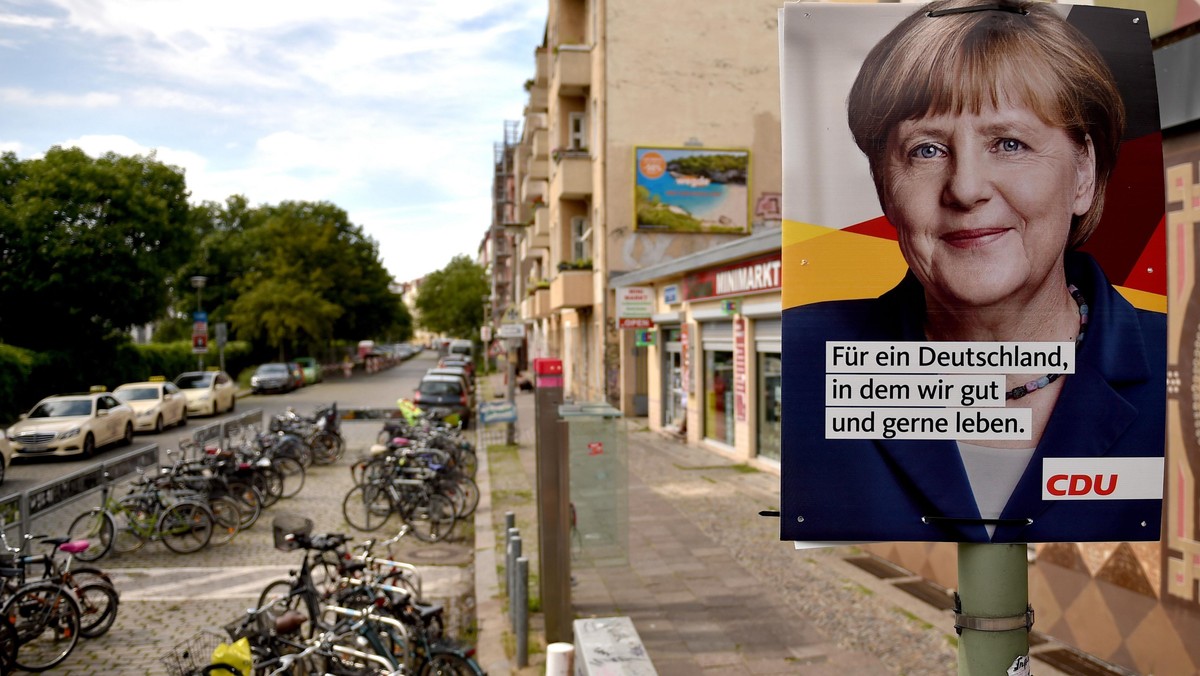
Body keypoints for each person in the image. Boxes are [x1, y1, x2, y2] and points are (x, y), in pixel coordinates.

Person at [781, 0, 1165, 543]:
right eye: (927, 150)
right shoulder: (804, 355)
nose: (965, 188)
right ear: (883, 187)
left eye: (1010, 143)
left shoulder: (1181, 367)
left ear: (1084, 172)